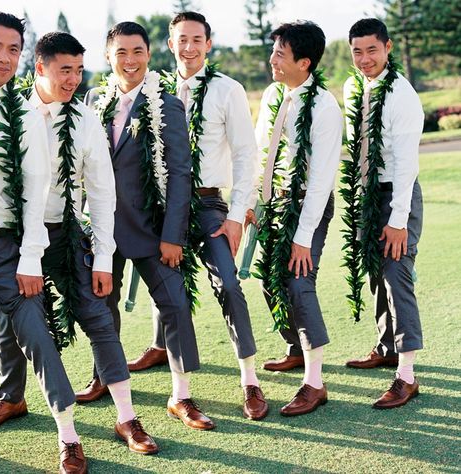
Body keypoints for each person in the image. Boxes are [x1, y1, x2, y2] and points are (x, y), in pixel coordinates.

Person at [0, 29, 159, 473]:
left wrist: (103, 257)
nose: (74, 80)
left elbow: (102, 194)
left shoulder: (83, 120)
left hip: (65, 235)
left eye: (80, 71)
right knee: (13, 320)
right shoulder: (12, 112)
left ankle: (127, 418)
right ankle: (12, 397)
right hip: (11, 238)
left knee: (98, 316)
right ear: (40, 68)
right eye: (66, 70)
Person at [127, 12, 268, 421]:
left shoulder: (228, 90)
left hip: (208, 204)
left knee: (228, 283)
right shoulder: (151, 91)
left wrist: (239, 214)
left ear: (208, 44)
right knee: (168, 288)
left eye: (196, 40)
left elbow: (245, 154)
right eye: (180, 40)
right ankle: (174, 377)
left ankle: (249, 379)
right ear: (169, 45)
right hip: (161, 206)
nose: (188, 47)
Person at [80, 21, 215, 431]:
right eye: (121, 52)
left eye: (137, 51)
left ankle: (182, 394)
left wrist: (173, 236)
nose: (130, 60)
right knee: (102, 309)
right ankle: (103, 377)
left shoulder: (167, 103)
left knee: (175, 304)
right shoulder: (91, 99)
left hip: (152, 231)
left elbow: (179, 173)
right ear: (108, 57)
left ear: (149, 55)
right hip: (102, 230)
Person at [252, 21, 342, 416]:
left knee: (297, 280)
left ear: (304, 62)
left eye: (280, 54)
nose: (272, 58)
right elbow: (260, 152)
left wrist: (303, 236)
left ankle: (314, 382)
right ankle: (294, 348)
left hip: (309, 204)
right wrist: (256, 202)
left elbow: (322, 178)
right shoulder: (274, 94)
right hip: (276, 203)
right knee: (271, 283)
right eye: (273, 51)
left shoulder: (323, 107)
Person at [343, 18, 424, 409]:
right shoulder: (358, 87)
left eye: (372, 50)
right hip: (369, 195)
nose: (364, 59)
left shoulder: (401, 95)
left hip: (398, 195)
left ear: (388, 48)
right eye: (357, 51)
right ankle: (386, 347)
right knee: (376, 272)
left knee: (396, 276)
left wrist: (398, 221)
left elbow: (407, 165)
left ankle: (406, 376)